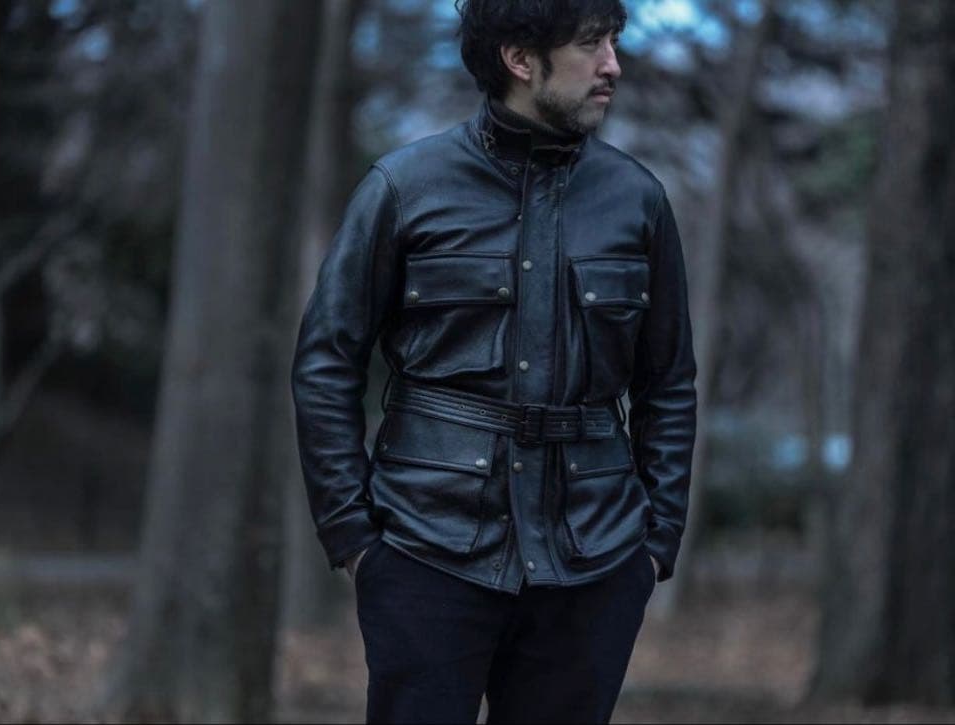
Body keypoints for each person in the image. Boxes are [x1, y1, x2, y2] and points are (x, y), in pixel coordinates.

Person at [290, 1, 697, 722]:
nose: (613, 65)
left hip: (596, 556)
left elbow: (668, 383)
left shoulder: (638, 201)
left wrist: (656, 540)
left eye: (614, 42)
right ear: (520, 58)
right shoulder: (403, 188)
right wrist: (354, 537)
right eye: (591, 45)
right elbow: (326, 362)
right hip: (424, 547)